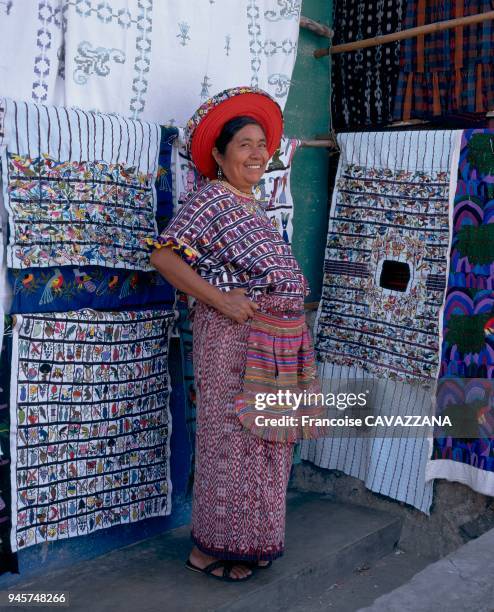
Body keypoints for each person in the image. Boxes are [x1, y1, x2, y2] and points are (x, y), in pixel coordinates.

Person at [148, 87, 314, 582]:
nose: (258, 153)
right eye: (244, 144)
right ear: (219, 156)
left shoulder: (253, 207)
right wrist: (221, 300)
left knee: (268, 444)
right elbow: (163, 256)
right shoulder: (211, 199)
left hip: (277, 342)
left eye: (262, 144)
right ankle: (208, 549)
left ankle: (249, 543)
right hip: (235, 340)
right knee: (232, 441)